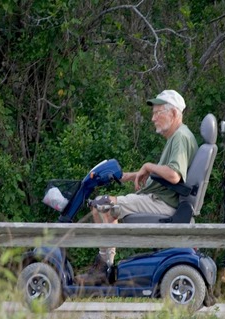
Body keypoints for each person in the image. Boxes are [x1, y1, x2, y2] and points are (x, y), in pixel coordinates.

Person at [77, 89, 198, 284]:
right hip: (162, 199)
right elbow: (166, 172)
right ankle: (104, 266)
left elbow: (174, 176)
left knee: (101, 205)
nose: (153, 118)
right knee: (104, 204)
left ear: (174, 114)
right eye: (153, 113)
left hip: (163, 203)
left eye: (157, 112)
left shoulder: (180, 138)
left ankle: (103, 268)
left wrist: (148, 166)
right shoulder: (178, 137)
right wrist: (128, 176)